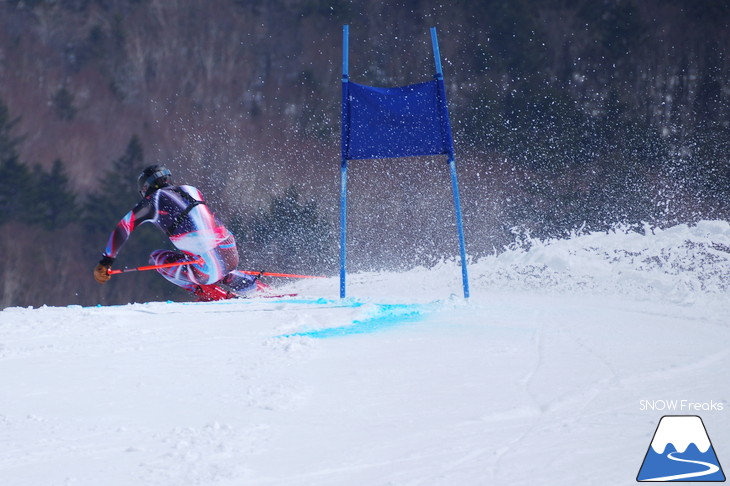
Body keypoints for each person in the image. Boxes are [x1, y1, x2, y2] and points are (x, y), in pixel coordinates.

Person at [93, 165, 259, 301]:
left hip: (207, 267)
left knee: (156, 258)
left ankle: (210, 293)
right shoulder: (191, 189)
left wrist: (106, 261)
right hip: (231, 253)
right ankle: (250, 285)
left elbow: (123, 227)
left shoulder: (153, 201)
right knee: (206, 257)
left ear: (145, 188)